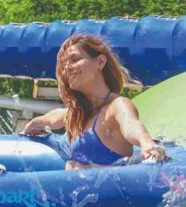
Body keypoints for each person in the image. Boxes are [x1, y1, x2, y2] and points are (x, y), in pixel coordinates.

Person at [23, 34, 167, 170]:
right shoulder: (77, 113)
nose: (67, 67)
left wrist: (146, 141)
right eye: (65, 63)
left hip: (107, 194)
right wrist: (36, 123)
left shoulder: (117, 105)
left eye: (74, 59)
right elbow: (54, 117)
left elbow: (130, 125)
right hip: (70, 194)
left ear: (100, 62)